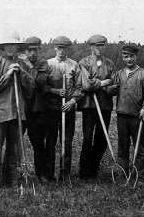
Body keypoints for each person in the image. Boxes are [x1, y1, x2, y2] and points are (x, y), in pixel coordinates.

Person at [0, 34, 35, 191]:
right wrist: (7, 75)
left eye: (13, 46)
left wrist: (21, 73)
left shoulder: (22, 64)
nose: (10, 48)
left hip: (17, 114)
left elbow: (30, 88)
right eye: (7, 45)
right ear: (3, 47)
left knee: (13, 150)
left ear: (17, 48)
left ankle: (12, 182)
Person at [45, 36, 87, 181]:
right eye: (59, 48)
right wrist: (55, 91)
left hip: (68, 110)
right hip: (51, 110)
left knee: (67, 142)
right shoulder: (48, 64)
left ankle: (65, 174)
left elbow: (80, 88)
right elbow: (43, 87)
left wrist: (72, 101)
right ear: (55, 48)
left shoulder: (74, 65)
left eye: (65, 48)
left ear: (68, 49)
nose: (62, 51)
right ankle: (49, 175)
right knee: (50, 142)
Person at [111, 44, 144, 176]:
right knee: (122, 145)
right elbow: (111, 90)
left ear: (136, 56)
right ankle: (122, 172)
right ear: (122, 57)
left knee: (138, 146)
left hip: (137, 116)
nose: (129, 59)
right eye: (126, 56)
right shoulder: (119, 74)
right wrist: (106, 87)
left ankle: (138, 173)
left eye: (131, 56)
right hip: (121, 115)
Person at [77, 34, 116, 180]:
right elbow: (87, 85)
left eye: (102, 45)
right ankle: (84, 171)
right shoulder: (84, 63)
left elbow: (114, 84)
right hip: (89, 106)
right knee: (87, 139)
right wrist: (105, 82)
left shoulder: (110, 64)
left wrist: (101, 84)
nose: (100, 48)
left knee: (102, 139)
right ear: (91, 47)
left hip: (105, 106)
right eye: (97, 45)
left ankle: (93, 170)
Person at [19, 36, 50, 184]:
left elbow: (38, 82)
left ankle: (41, 174)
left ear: (39, 50)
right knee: (15, 141)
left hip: (37, 110)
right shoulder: (18, 63)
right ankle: (12, 173)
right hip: (20, 108)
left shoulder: (43, 64)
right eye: (29, 50)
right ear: (24, 50)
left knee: (38, 143)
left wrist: (27, 66)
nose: (32, 53)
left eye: (35, 50)